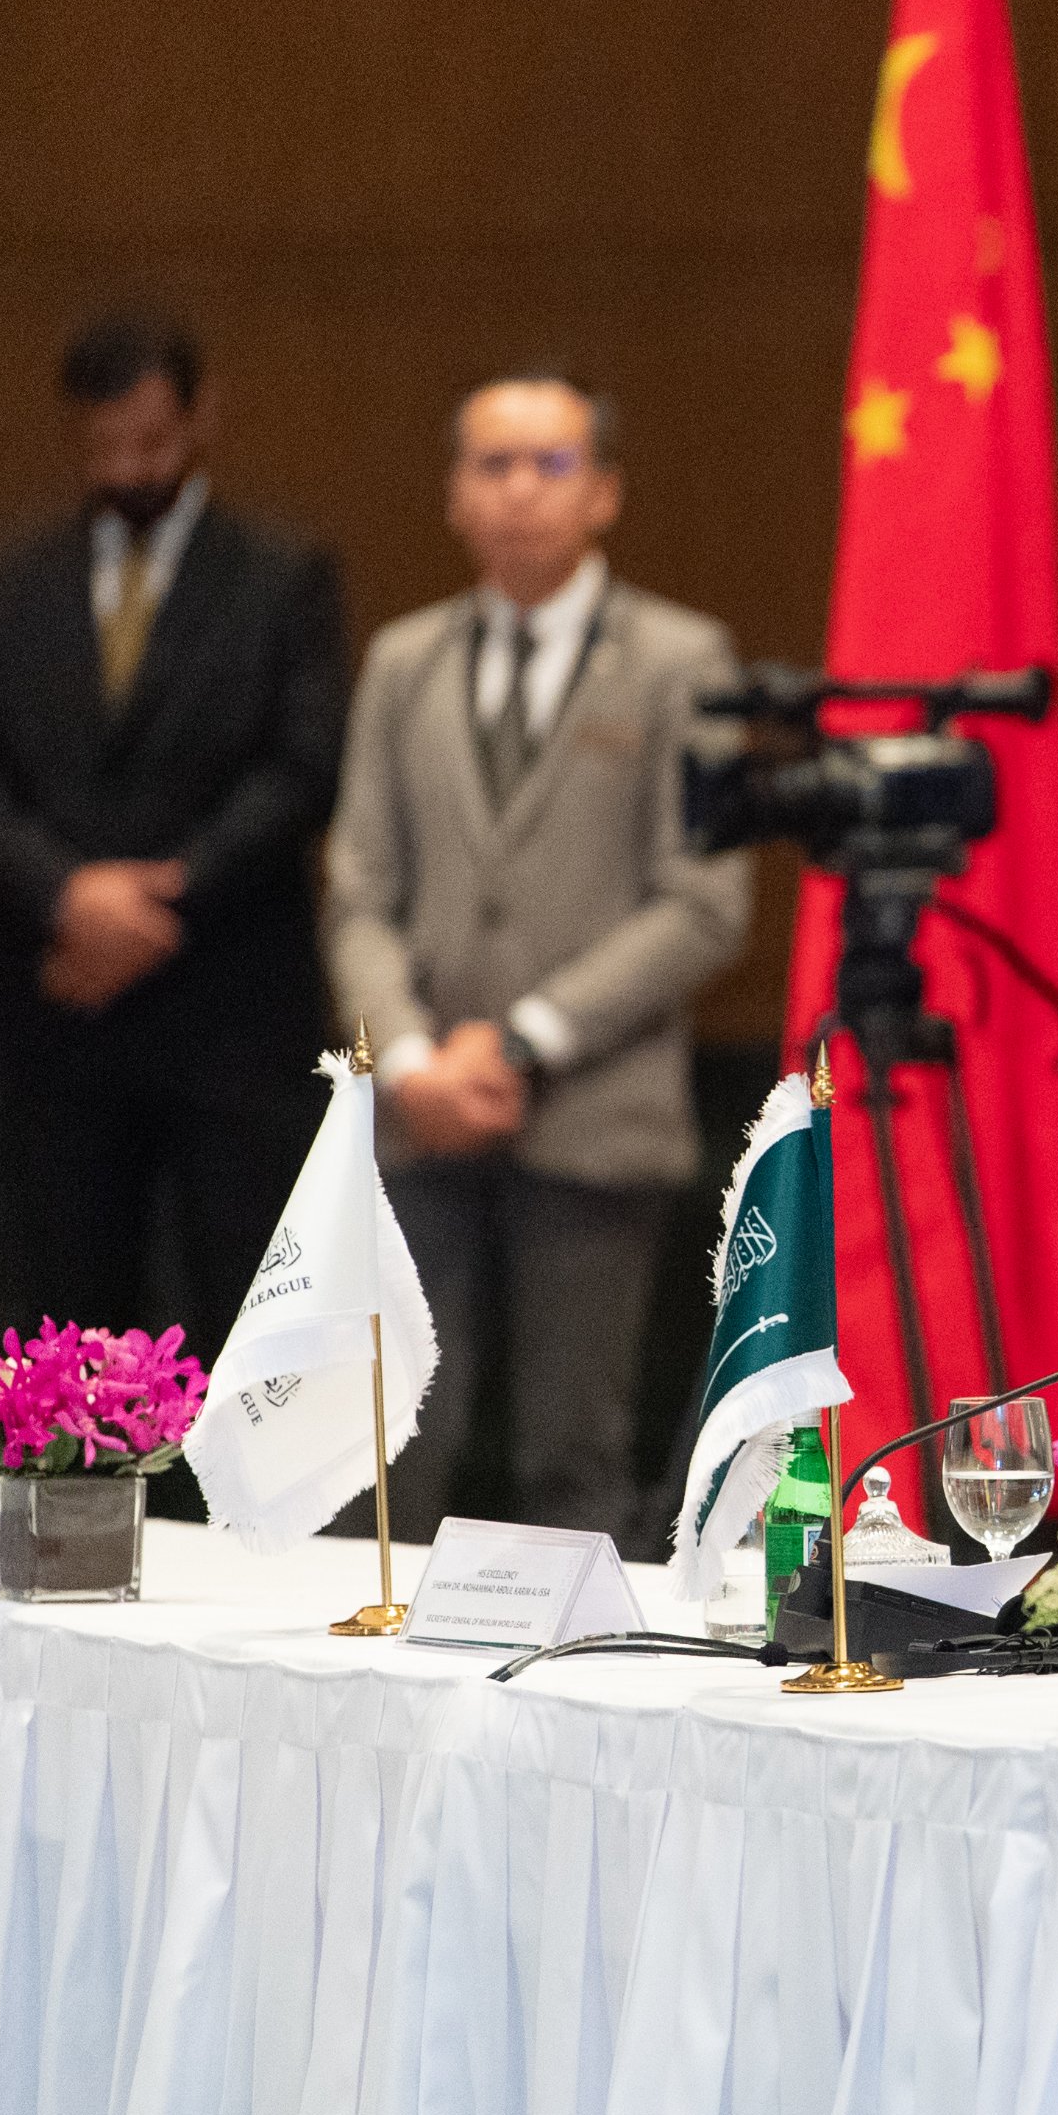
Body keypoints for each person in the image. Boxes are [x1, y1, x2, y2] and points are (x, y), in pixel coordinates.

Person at [321, 369, 749, 1544]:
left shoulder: (682, 659)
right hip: (422, 1116)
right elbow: (357, 891)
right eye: (492, 465)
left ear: (604, 492)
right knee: (388, 1453)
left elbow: (705, 902)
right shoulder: (404, 661)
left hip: (593, 1113)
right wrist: (409, 1058)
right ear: (455, 495)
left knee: (577, 1456)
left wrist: (519, 1041)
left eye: (551, 464)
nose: (521, 490)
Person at [0, 307, 347, 1421]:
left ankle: (256, 1568)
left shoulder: (280, 574)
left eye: (152, 446)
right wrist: (68, 895)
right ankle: (75, 1557)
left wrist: (159, 900)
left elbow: (303, 769)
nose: (129, 471)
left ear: (201, 418)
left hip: (229, 1010)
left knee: (248, 1330)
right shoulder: (13, 577)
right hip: (56, 1009)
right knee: (64, 1333)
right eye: (104, 448)